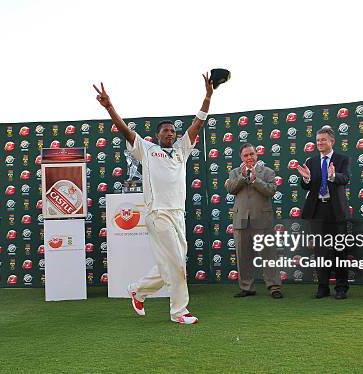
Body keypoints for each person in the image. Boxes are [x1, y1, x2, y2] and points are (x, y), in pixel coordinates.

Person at [93, 73, 214, 324]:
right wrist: (109, 107)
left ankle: (138, 290)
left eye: (173, 131)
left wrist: (208, 96)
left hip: (178, 215)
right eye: (165, 131)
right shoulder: (148, 150)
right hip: (158, 214)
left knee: (171, 264)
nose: (170, 134)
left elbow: (198, 124)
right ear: (158, 136)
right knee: (178, 264)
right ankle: (179, 312)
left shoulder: (182, 149)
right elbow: (125, 130)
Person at [296, 126, 351, 299]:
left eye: (323, 140)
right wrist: (306, 178)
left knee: (339, 250)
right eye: (318, 140)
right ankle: (323, 287)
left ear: (332, 142)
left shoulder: (342, 159)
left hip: (336, 211)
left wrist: (333, 176)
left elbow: (346, 178)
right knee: (320, 251)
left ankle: (341, 288)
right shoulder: (312, 161)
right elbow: (307, 186)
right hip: (317, 210)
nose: (319, 143)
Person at [225, 143, 282, 299]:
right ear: (241, 157)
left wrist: (257, 181)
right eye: (246, 155)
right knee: (243, 256)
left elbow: (271, 191)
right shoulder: (235, 172)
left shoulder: (268, 172)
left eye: (252, 154)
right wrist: (243, 177)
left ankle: (274, 286)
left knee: (268, 255)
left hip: (262, 220)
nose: (249, 157)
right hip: (241, 220)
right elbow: (231, 189)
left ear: (257, 155)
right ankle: (246, 287)